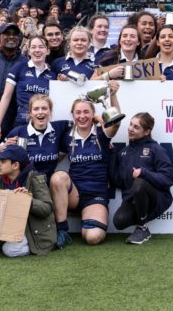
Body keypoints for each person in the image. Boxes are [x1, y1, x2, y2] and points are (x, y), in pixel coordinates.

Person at [50, 82, 123, 247]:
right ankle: (62, 231)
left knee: (92, 237)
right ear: (72, 115)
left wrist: (112, 95)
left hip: (95, 197)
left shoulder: (100, 134)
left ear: (93, 114)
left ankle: (87, 223)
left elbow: (115, 122)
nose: (82, 116)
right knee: (58, 177)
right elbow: (55, 157)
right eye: (78, 112)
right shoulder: (67, 137)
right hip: (74, 195)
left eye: (86, 112)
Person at [111, 113, 173, 244]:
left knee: (140, 183)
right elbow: (118, 182)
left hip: (158, 199)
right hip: (133, 199)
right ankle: (143, 226)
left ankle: (141, 228)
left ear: (147, 131)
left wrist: (144, 173)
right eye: (130, 124)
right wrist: (112, 156)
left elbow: (169, 178)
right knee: (119, 221)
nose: (130, 129)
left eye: (136, 127)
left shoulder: (155, 149)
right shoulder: (123, 152)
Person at [0, 144, 57, 257]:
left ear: (15, 165)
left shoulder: (35, 179)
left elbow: (46, 208)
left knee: (9, 250)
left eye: (3, 161)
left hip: (33, 231)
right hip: (12, 229)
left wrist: (27, 200)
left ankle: (34, 247)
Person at [0, 35, 56, 139]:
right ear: (29, 51)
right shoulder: (19, 67)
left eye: (41, 47)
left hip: (43, 123)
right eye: (34, 47)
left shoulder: (52, 75)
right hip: (22, 122)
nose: (37, 50)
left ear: (47, 50)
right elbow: (6, 96)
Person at [5, 94, 70, 181]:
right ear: (30, 113)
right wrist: (4, 146)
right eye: (36, 109)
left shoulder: (59, 127)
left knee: (61, 177)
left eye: (44, 108)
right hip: (24, 184)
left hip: (48, 184)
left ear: (50, 111)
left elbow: (80, 121)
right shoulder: (19, 132)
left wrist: (94, 120)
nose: (40, 112)